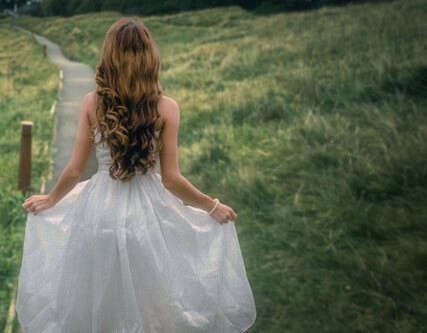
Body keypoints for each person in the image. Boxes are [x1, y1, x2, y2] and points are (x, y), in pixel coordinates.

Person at [16, 17, 256, 332]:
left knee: (100, 294)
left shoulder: (93, 103)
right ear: (149, 58)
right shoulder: (167, 108)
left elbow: (75, 169)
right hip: (151, 216)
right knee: (151, 298)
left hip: (98, 212)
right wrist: (211, 206)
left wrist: (51, 199)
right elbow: (171, 179)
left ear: (109, 56)